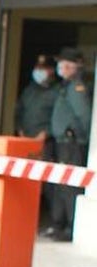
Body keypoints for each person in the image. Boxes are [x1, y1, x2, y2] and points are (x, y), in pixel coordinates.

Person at [45, 47, 93, 242]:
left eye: (64, 65)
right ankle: (59, 224)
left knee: (70, 186)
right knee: (61, 185)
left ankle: (71, 226)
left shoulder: (76, 87)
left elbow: (84, 115)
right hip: (63, 142)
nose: (61, 68)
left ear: (73, 67)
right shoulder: (66, 86)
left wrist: (82, 138)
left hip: (72, 143)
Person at [15, 54, 58, 228]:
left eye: (43, 69)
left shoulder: (57, 92)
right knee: (25, 181)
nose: (39, 72)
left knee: (48, 184)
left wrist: (46, 133)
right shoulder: (30, 90)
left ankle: (53, 220)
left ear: (51, 71)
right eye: (38, 68)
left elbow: (58, 117)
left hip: (45, 142)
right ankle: (23, 217)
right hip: (26, 141)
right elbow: (19, 111)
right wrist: (20, 129)